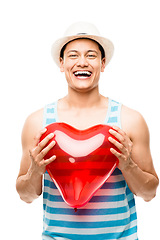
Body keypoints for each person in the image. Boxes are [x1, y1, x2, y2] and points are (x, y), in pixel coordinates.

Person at [16, 22, 159, 240]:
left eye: (91, 55)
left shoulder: (130, 120)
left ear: (103, 64)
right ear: (61, 64)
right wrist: (35, 170)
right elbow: (25, 196)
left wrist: (128, 165)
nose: (82, 62)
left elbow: (149, 193)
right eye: (73, 55)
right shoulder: (38, 123)